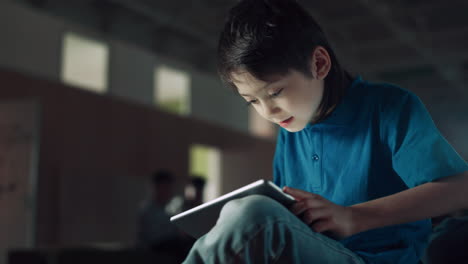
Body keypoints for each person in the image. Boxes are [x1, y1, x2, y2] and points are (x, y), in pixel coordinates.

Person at [182, 0, 468, 263]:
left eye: (276, 92)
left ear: (319, 64)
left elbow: (460, 188)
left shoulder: (387, 107)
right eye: (253, 101)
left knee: (251, 213)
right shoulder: (291, 131)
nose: (268, 112)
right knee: (230, 223)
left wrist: (353, 217)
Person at [136, 169, 180, 250]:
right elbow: (150, 237)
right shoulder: (147, 209)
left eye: (169, 188)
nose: (167, 191)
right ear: (156, 188)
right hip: (155, 249)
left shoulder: (174, 207)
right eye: (164, 187)